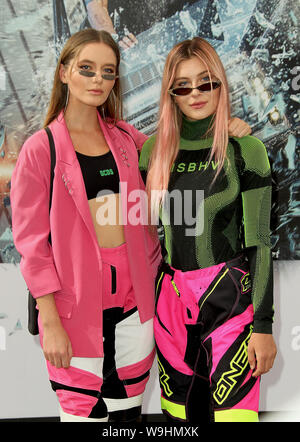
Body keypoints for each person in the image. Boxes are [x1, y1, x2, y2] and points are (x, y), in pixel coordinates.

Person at [10, 29, 250, 422]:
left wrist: (225, 130)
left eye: (108, 72)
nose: (98, 80)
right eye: (86, 69)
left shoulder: (125, 139)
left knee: (126, 419)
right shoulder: (41, 149)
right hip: (74, 315)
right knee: (81, 415)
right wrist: (49, 319)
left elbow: (174, 150)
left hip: (136, 310)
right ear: (65, 72)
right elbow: (33, 245)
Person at [139, 37, 277, 423]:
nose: (195, 93)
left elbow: (261, 243)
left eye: (206, 82)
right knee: (178, 419)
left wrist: (263, 327)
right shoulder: (152, 152)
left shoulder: (245, 150)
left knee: (236, 418)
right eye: (183, 85)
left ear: (221, 83)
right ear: (171, 93)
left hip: (230, 302)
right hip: (170, 302)